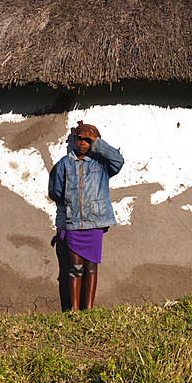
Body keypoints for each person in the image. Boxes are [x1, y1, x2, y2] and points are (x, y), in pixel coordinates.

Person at [48, 121, 124, 310]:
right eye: (79, 138)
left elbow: (118, 161)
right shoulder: (64, 165)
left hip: (95, 223)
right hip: (73, 223)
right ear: (74, 139)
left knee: (91, 267)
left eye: (88, 140)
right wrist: (66, 215)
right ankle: (74, 310)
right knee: (74, 268)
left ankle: (88, 309)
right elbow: (57, 193)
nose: (83, 142)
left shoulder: (102, 165)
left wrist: (98, 142)